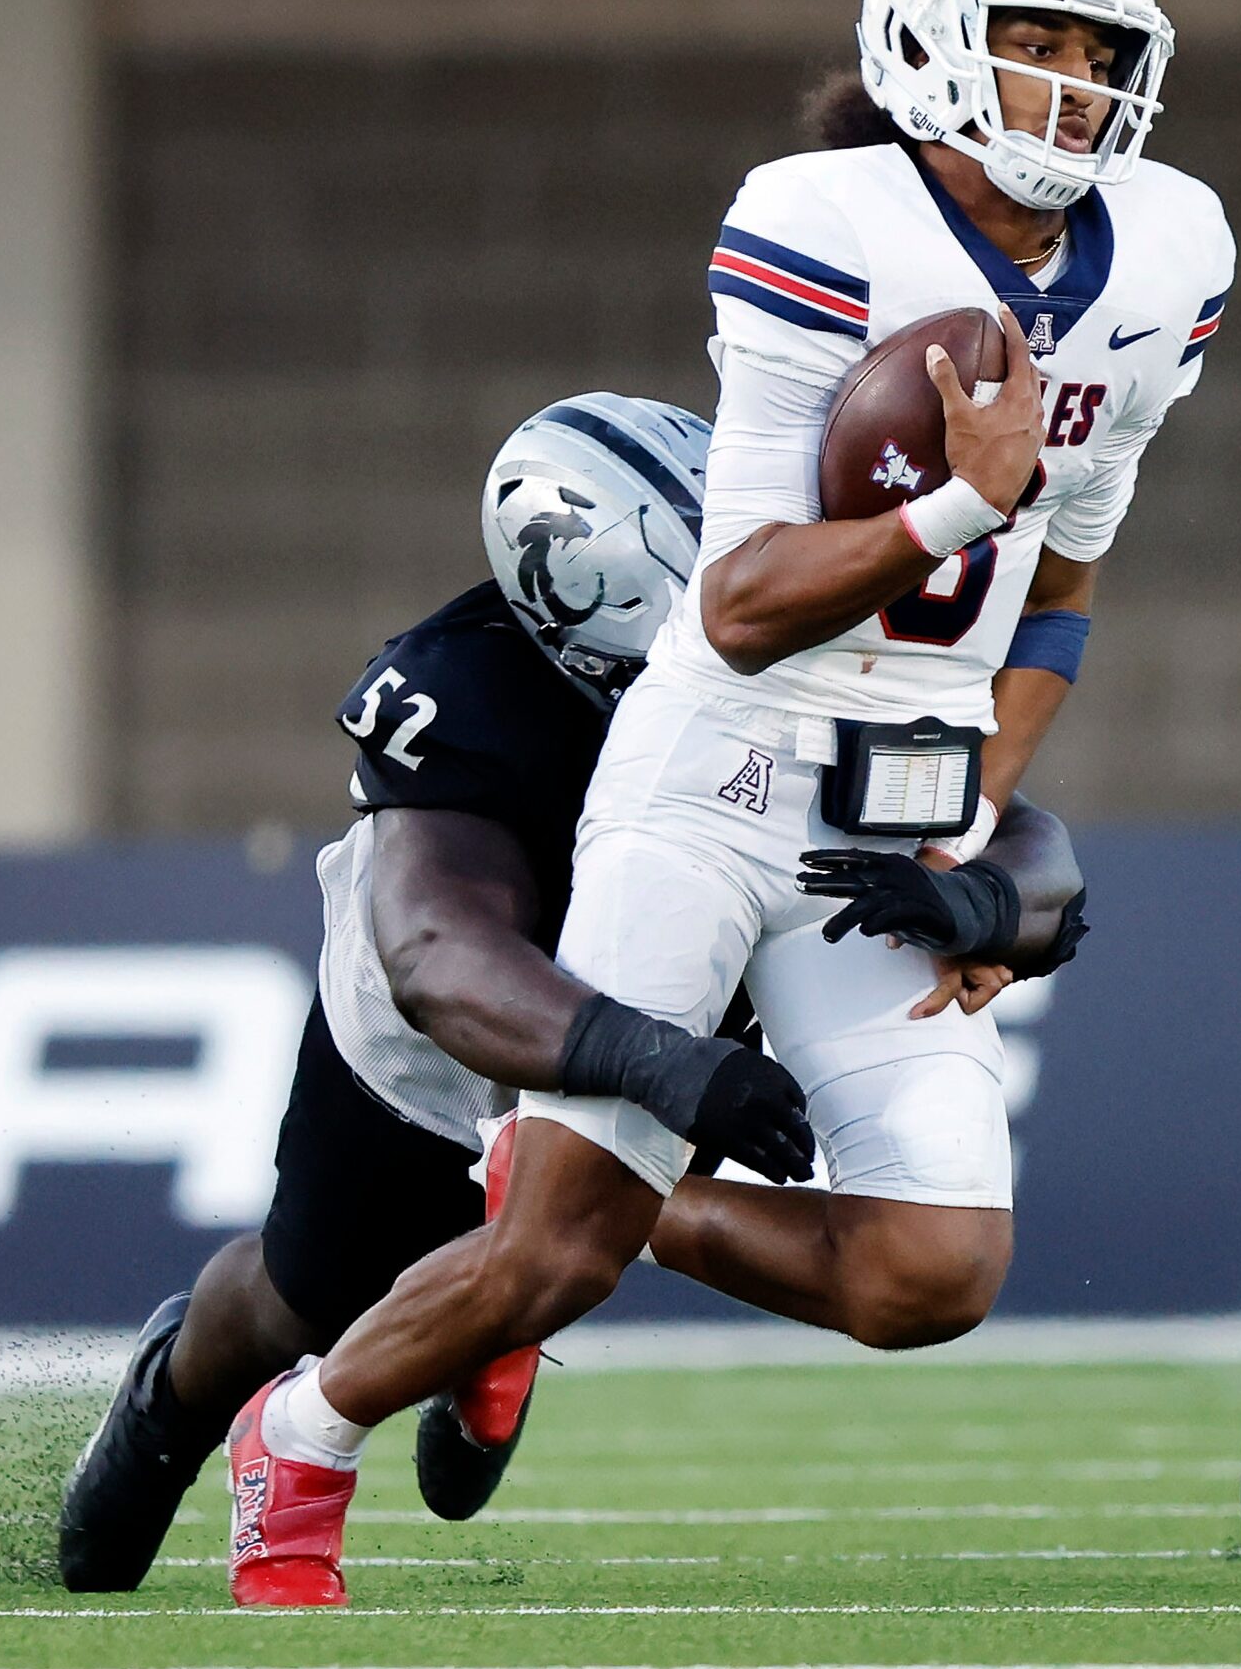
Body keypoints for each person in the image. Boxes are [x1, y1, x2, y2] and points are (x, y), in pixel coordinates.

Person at [222, 0, 1232, 1610]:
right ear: (926, 41)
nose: (1071, 85)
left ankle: (602, 1193)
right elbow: (744, 599)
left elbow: (1059, 584)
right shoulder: (823, 215)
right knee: (547, 1248)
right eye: (1031, 39)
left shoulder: (1169, 253)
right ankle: (301, 1432)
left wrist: (977, 813)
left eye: (1098, 46)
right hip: (716, 767)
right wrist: (947, 512)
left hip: (890, 793)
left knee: (933, 1268)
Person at [58, 396, 1084, 1593]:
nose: (762, 631)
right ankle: (166, 1409)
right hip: (461, 1036)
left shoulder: (820, 642)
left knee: (568, 1238)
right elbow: (440, 957)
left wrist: (990, 901)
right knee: (317, 1294)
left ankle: (521, 1273)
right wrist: (653, 1059)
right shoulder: (467, 689)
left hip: (703, 966)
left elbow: (1028, 846)